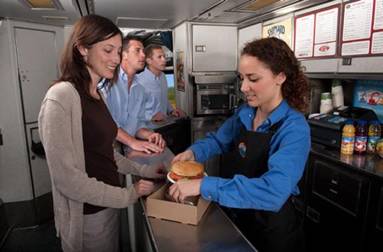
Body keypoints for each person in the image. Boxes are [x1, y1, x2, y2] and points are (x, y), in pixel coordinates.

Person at [169, 37, 310, 252]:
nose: (244, 87)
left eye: (253, 78)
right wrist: (193, 153)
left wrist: (202, 185)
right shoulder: (246, 112)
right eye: (242, 78)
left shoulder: (294, 128)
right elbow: (219, 140)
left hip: (271, 228)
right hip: (238, 213)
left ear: (280, 77)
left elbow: (274, 191)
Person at [38, 15, 164, 252]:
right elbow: (67, 180)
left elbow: (105, 152)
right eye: (108, 50)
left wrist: (144, 170)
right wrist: (128, 195)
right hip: (86, 214)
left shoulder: (97, 95)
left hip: (106, 204)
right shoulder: (61, 97)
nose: (116, 59)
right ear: (83, 49)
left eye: (118, 51)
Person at [103, 36, 166, 153]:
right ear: (124, 54)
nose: (143, 55)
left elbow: (137, 125)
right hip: (107, 148)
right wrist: (133, 142)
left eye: (143, 51)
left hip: (127, 149)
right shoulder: (107, 82)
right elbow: (106, 122)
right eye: (137, 50)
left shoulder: (140, 89)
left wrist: (149, 135)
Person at [137, 44, 185, 121]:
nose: (164, 60)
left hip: (163, 125)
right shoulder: (139, 81)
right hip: (147, 128)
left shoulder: (163, 76)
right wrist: (150, 117)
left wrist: (172, 110)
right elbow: (133, 110)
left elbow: (164, 99)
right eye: (159, 57)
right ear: (149, 61)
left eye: (164, 56)